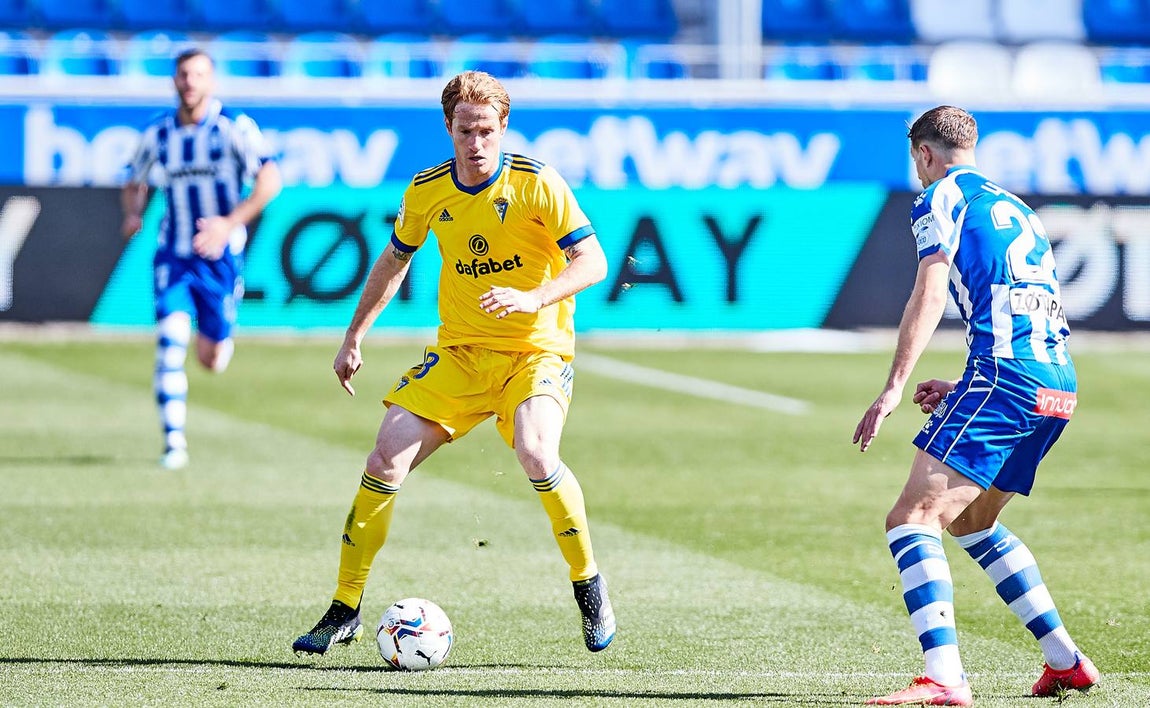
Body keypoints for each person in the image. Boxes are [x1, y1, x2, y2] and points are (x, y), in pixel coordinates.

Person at [292, 71, 615, 657]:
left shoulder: (539, 184)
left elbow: (593, 261)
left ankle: (587, 583)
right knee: (384, 458)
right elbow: (395, 260)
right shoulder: (427, 191)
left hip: (533, 353)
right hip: (461, 357)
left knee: (537, 451)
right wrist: (354, 336)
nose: (476, 142)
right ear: (448, 127)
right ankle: (345, 608)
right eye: (465, 130)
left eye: (486, 130)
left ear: (503, 127)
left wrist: (534, 297)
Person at [853, 106, 1098, 706]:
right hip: (1054, 382)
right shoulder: (1018, 208)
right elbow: (1020, 303)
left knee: (912, 519)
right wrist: (965, 385)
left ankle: (944, 678)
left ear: (924, 155)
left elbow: (931, 289)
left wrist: (893, 387)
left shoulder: (940, 198)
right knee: (971, 521)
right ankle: (1065, 662)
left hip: (1007, 380)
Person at [121, 47, 281, 471]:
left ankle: (214, 333)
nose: (190, 82)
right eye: (183, 75)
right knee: (169, 344)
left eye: (198, 75)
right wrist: (133, 213)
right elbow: (133, 179)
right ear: (174, 80)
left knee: (212, 360)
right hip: (173, 254)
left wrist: (228, 223)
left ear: (210, 81)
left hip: (220, 259)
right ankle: (174, 444)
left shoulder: (233, 128)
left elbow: (270, 180)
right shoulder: (158, 133)